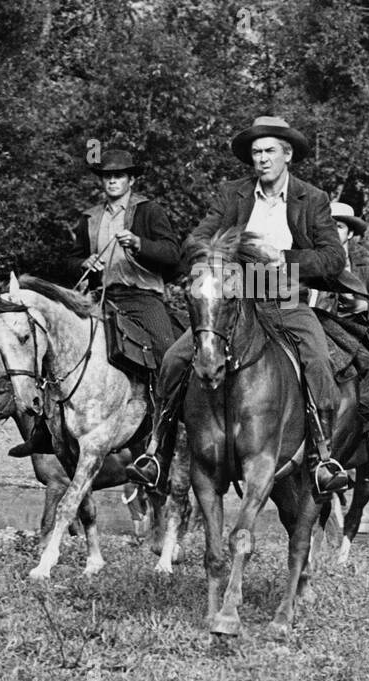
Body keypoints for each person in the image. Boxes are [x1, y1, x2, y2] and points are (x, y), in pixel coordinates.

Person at [125, 115, 352, 495]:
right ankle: (156, 453)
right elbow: (194, 240)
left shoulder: (311, 199)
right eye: (256, 152)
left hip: (284, 299)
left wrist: (286, 259)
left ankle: (323, 457)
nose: (262, 159)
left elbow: (332, 258)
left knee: (319, 361)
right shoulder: (232, 194)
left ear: (287, 154)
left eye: (269, 151)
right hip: (233, 301)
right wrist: (216, 253)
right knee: (175, 359)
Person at [6, 147, 181, 459]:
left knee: (168, 353)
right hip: (102, 299)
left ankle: (167, 426)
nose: (112, 181)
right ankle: (44, 431)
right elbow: (70, 261)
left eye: (118, 176)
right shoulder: (89, 217)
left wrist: (140, 244)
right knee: (53, 345)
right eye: (107, 176)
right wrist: (83, 262)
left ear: (131, 179)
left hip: (143, 298)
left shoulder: (148, 211)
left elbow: (172, 255)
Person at [308, 200, 369, 437]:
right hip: (316, 330)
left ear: (351, 233)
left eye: (339, 227)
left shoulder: (365, 268)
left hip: (358, 334)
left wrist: (363, 306)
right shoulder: (305, 263)